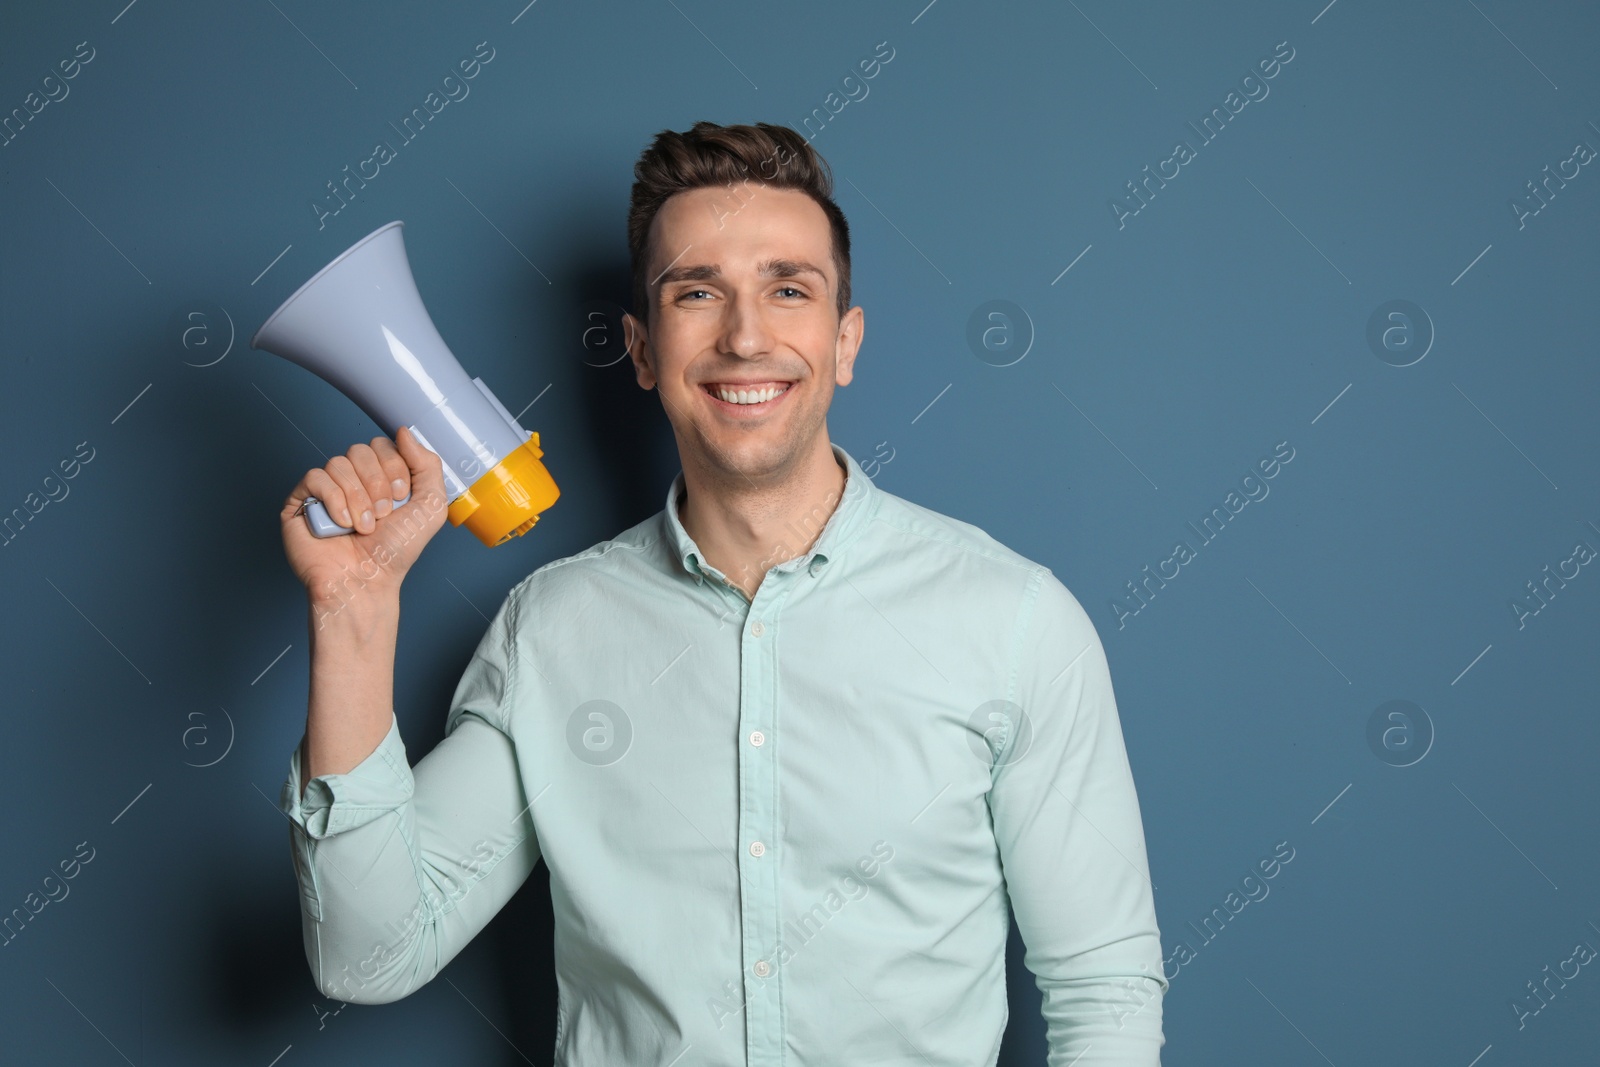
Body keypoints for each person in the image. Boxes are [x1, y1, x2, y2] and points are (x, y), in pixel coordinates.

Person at [277, 120, 1167, 1065]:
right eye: (697, 294)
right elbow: (368, 956)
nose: (746, 336)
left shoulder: (1015, 620)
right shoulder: (550, 629)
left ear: (845, 339)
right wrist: (354, 611)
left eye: (789, 290)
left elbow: (1102, 987)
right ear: (644, 349)